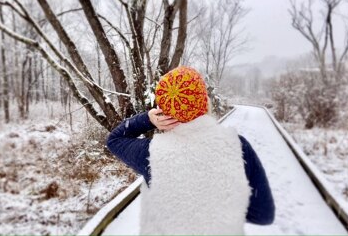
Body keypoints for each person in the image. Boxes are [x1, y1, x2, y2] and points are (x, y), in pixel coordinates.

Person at [107, 66, 275, 235]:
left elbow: (115, 140)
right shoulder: (238, 146)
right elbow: (263, 215)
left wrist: (147, 119)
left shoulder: (152, 154)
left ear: (164, 111)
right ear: (204, 101)